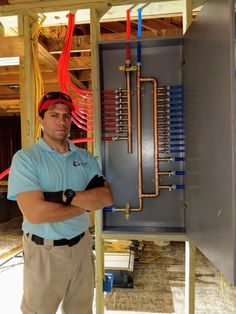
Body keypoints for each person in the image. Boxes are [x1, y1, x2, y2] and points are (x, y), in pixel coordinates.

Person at [7, 91, 113, 314]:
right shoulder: (26, 159)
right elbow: (36, 213)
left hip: (82, 248)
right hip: (44, 253)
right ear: (41, 120)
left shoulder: (84, 157)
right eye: (54, 115)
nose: (61, 121)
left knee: (81, 310)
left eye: (66, 116)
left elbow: (105, 197)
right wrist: (85, 203)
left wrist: (65, 196)